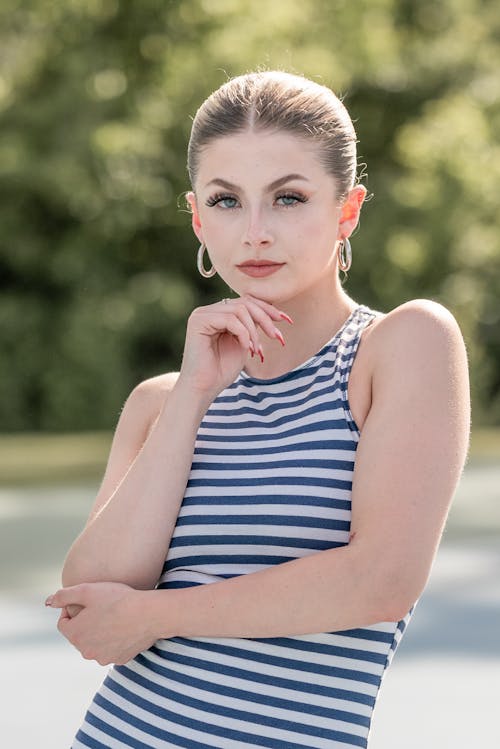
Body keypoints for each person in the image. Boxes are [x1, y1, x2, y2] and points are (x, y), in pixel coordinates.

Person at [46, 70, 470, 749]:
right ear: (197, 217)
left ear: (348, 209)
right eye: (226, 200)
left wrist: (159, 614)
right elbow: (94, 599)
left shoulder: (400, 347)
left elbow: (381, 579)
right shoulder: (161, 402)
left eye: (289, 197)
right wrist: (192, 394)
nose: (256, 231)